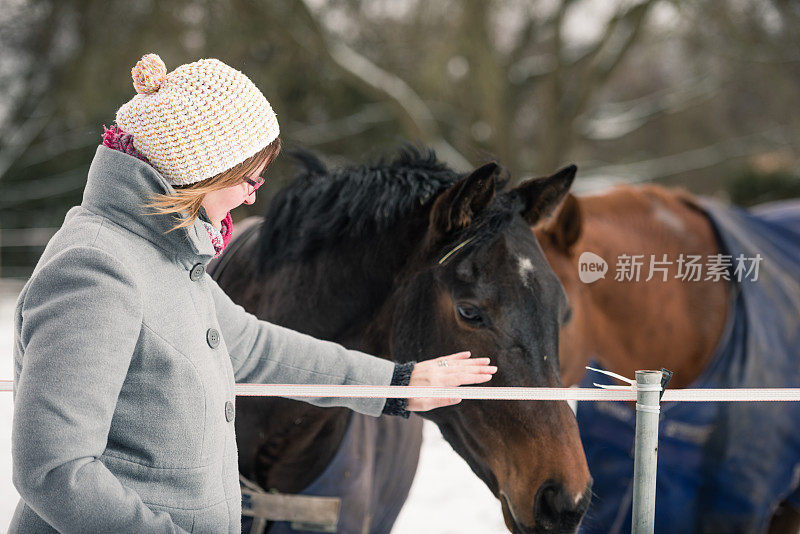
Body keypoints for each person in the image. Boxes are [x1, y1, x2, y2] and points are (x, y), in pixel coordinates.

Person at [9, 54, 497, 533]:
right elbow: (55, 470)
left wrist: (397, 385)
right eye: (247, 178)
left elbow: (256, 347)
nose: (253, 196)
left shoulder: (167, 257)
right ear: (201, 170)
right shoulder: (96, 270)